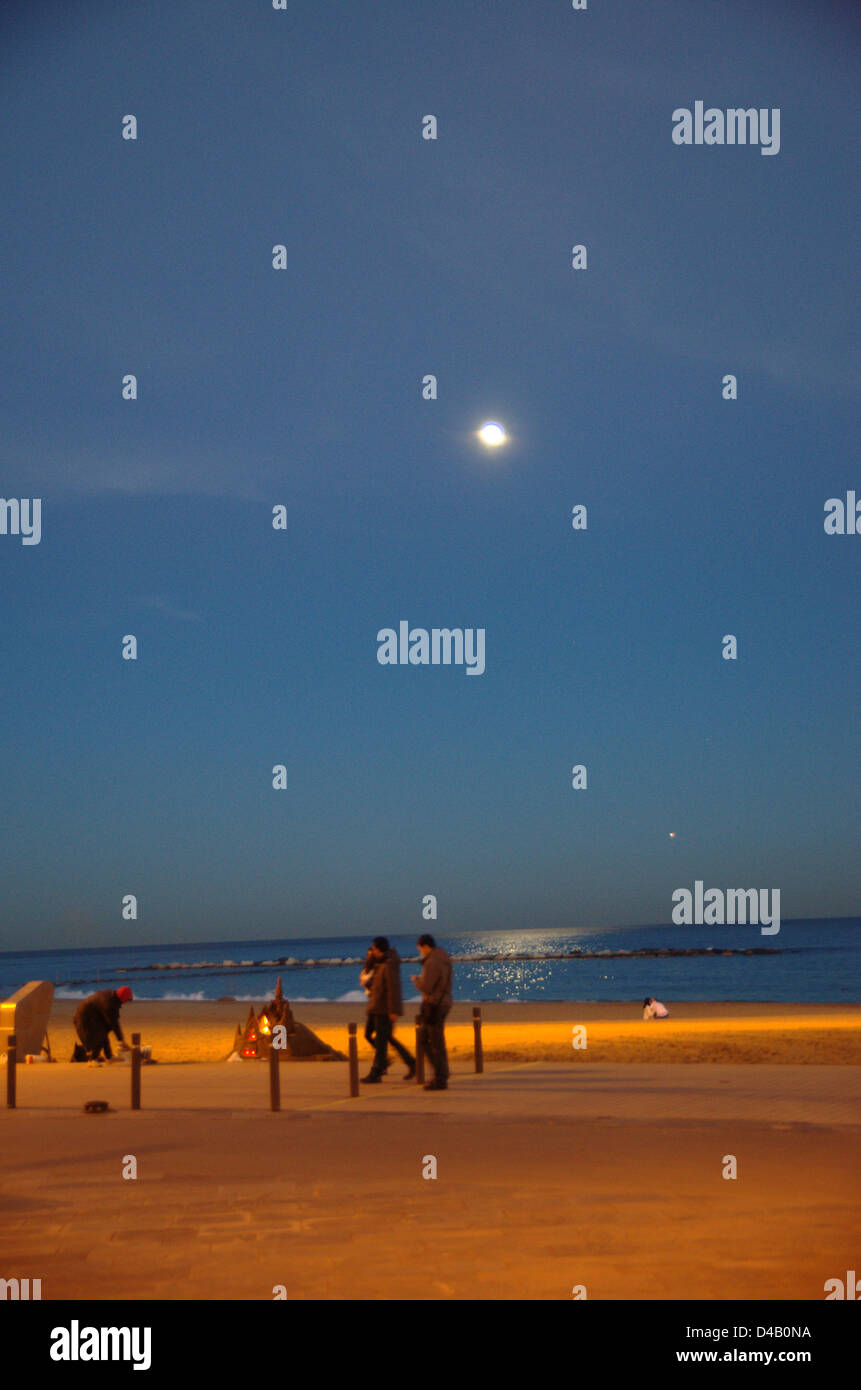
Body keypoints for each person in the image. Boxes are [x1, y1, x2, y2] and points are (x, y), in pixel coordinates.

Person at [361, 937, 415, 1082]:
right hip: (377, 1007)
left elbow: (393, 988)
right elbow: (377, 985)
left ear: (378, 949)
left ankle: (377, 1071)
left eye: (373, 948)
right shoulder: (382, 962)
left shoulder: (389, 963)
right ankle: (410, 1063)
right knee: (383, 1039)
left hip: (384, 1009)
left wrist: (393, 1010)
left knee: (382, 1041)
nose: (372, 950)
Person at [411, 934, 453, 1091]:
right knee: (436, 1041)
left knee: (427, 1041)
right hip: (443, 1002)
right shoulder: (444, 959)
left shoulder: (432, 962)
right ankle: (442, 1073)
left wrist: (416, 981)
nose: (420, 952)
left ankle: (441, 1076)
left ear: (425, 946)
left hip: (434, 1004)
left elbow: (427, 986)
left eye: (420, 948)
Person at [71, 986, 134, 1062]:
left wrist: (121, 1039)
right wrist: (121, 1041)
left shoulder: (112, 997)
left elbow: (113, 1021)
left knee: (104, 1031)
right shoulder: (109, 1003)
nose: (126, 1002)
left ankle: (109, 1057)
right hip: (84, 1019)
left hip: (91, 1017)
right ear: (123, 998)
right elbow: (113, 1023)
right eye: (127, 1000)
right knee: (99, 1037)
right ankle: (93, 1059)